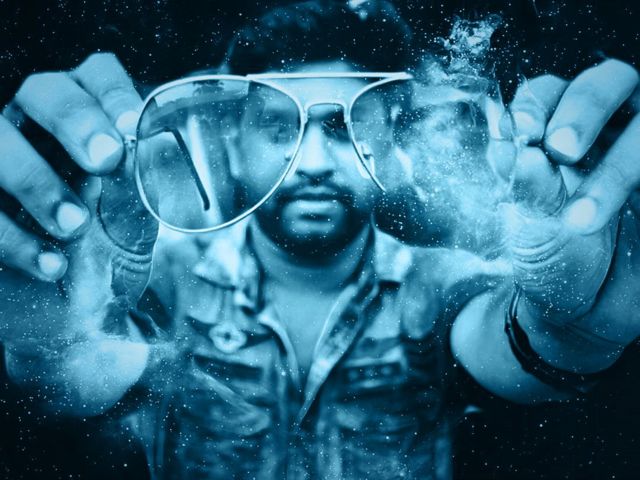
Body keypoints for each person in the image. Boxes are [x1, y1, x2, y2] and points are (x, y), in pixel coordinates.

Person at [1, 1, 640, 479]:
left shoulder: (440, 284)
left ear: (389, 141)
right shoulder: (165, 282)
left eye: (342, 128)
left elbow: (518, 343)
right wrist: (42, 337)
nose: (311, 163)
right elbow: (72, 375)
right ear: (233, 143)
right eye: (280, 128)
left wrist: (578, 330)